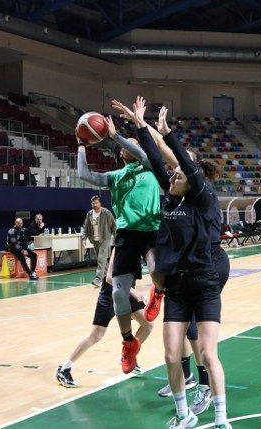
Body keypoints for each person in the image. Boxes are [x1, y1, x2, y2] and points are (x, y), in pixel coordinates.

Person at [114, 97, 230, 417]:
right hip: (182, 269)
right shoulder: (173, 194)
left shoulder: (200, 194)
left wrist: (165, 133)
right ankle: (191, 383)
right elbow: (154, 158)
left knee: (197, 332)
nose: (173, 173)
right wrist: (138, 124)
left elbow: (180, 162)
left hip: (209, 265)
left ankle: (205, 386)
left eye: (179, 170)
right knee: (178, 335)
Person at [77, 116, 161, 374]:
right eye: (125, 145)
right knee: (117, 293)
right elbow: (84, 174)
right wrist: (81, 145)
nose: (128, 147)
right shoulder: (116, 176)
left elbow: (140, 150)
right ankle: (127, 343)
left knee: (158, 271)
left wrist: (115, 134)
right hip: (126, 234)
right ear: (120, 154)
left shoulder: (150, 166)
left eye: (133, 144)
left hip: (151, 230)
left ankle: (156, 294)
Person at [56, 250, 153, 387]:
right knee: (96, 336)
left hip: (126, 294)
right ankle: (64, 368)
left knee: (147, 324)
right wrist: (133, 291)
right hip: (110, 295)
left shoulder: (140, 246)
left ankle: (127, 355)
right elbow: (109, 278)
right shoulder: (119, 247)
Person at [81, 195, 116, 288]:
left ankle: (98, 279)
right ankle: (110, 278)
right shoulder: (89, 214)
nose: (95, 205)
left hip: (105, 238)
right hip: (94, 240)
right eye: (93, 203)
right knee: (102, 260)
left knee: (101, 259)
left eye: (96, 203)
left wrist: (117, 238)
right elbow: (85, 226)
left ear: (100, 203)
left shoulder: (106, 213)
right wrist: (84, 238)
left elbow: (113, 225)